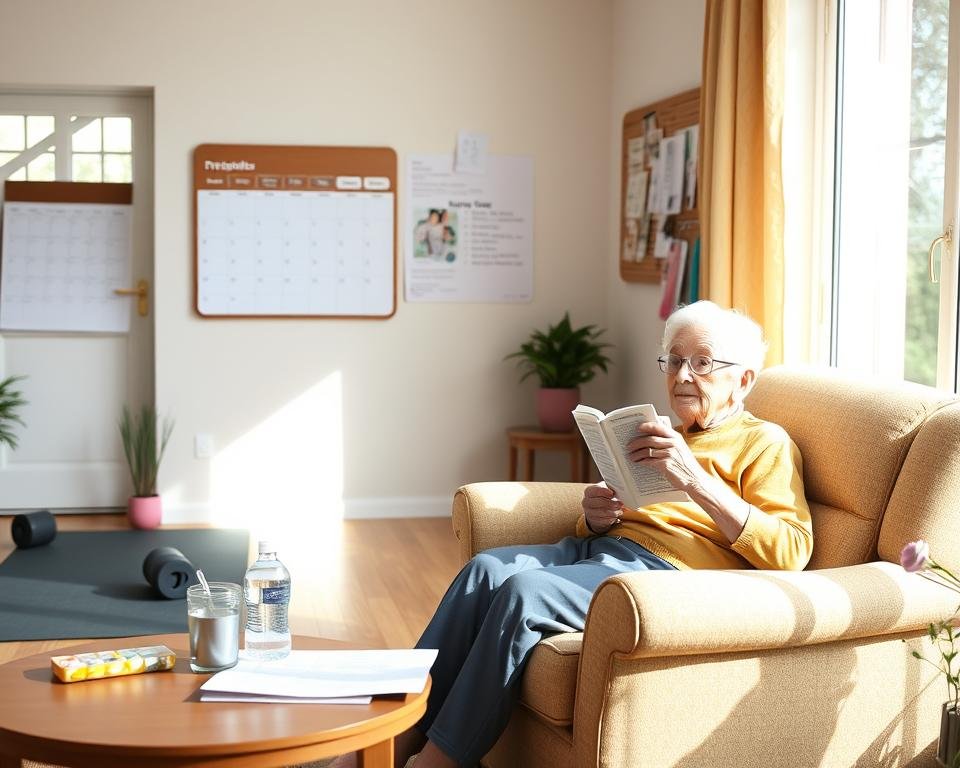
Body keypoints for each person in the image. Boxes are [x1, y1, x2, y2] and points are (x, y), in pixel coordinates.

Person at [340, 300, 813, 768]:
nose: (683, 375)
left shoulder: (765, 442)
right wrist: (595, 515)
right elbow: (623, 512)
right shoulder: (663, 431)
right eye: (673, 360)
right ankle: (384, 744)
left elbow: (791, 549)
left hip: (663, 575)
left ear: (744, 378)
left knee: (526, 593)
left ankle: (437, 763)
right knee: (483, 571)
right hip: (602, 548)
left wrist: (694, 478)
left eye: (703, 363)